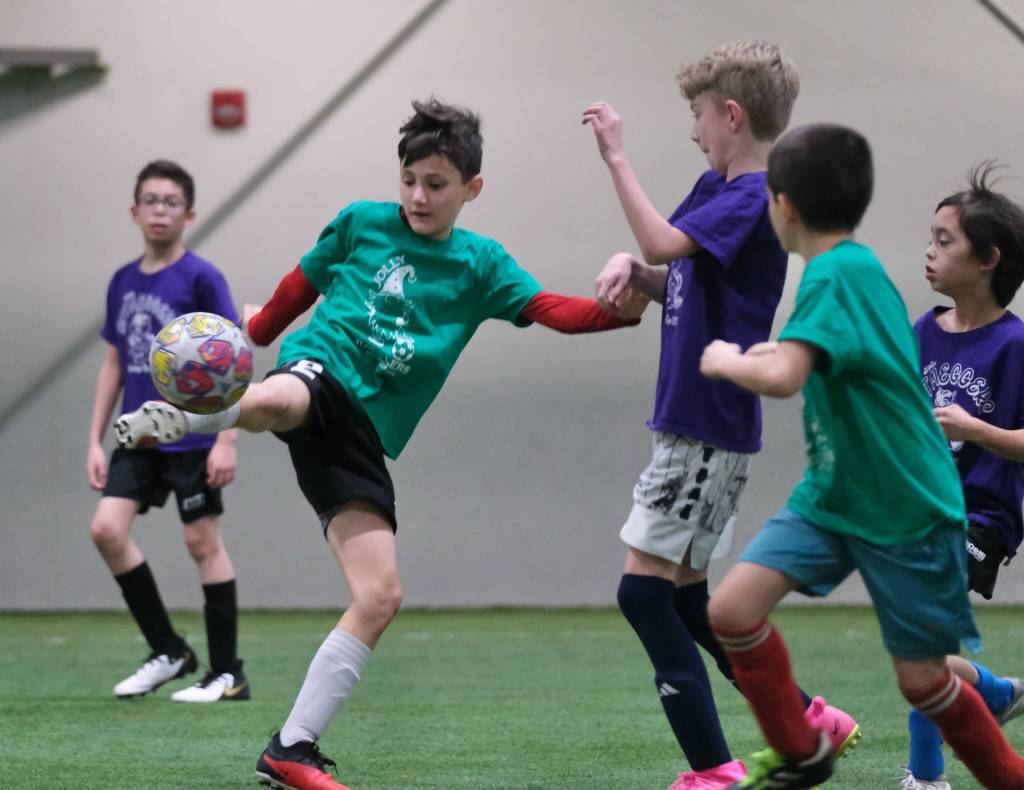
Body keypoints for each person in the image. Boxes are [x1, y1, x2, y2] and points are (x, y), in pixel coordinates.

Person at [114, 99, 649, 790]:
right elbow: (293, 292)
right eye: (409, 179)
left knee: (380, 594)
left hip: (363, 437)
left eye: (435, 183)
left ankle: (290, 750)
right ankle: (192, 418)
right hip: (318, 370)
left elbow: (560, 314)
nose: (418, 196)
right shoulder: (361, 223)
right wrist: (257, 334)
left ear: (471, 189)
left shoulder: (482, 265)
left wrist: (631, 302)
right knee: (287, 397)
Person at [700, 123, 1024, 790]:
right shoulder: (853, 273)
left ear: (784, 206)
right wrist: (765, 356)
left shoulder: (838, 275)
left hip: (906, 507)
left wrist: (729, 360)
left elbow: (787, 375)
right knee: (731, 611)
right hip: (834, 496)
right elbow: (808, 359)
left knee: (925, 679)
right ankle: (804, 750)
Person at [582, 39, 856, 789]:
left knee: (642, 594)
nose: (694, 129)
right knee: (690, 603)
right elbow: (669, 265)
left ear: (732, 114)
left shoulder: (751, 194)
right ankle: (811, 721)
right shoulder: (714, 187)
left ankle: (712, 770)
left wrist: (616, 158)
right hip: (696, 426)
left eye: (699, 115)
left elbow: (662, 241)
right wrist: (629, 270)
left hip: (706, 426)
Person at [87, 160, 248, 703]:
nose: (160, 210)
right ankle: (169, 651)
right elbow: (113, 362)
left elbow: (234, 358)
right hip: (138, 433)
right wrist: (94, 439)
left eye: (171, 202)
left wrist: (227, 439)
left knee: (201, 541)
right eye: (151, 201)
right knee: (107, 530)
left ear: (190, 213)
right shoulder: (123, 281)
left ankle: (228, 673)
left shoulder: (202, 277)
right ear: (135, 212)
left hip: (194, 434)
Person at [901, 163, 1024, 790]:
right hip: (919, 510)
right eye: (930, 237)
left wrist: (974, 430)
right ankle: (996, 691)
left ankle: (926, 777)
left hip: (981, 513)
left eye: (945, 240)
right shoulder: (922, 331)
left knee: (921, 637)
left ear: (988, 259)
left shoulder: (1015, 346)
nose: (929, 250)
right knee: (919, 644)